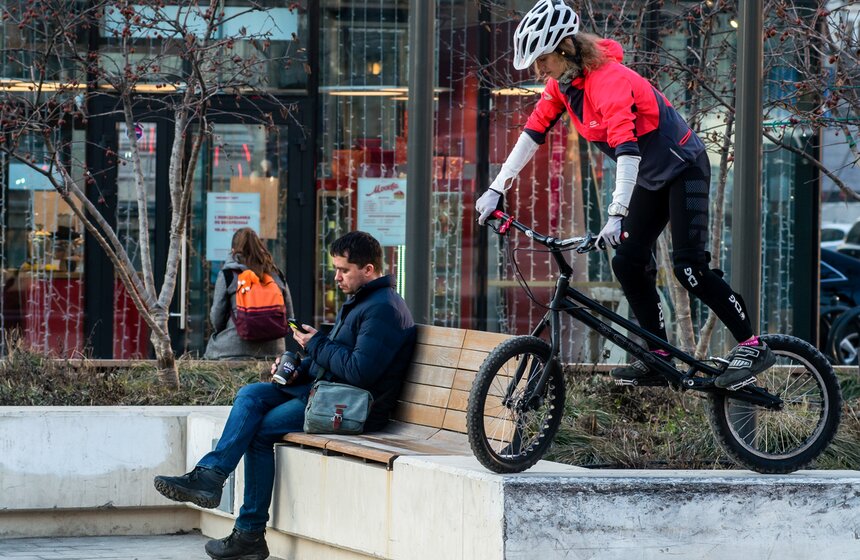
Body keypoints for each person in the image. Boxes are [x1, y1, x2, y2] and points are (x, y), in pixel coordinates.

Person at [475, 0, 775, 390]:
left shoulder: (609, 81)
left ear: (564, 49)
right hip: (649, 178)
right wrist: (496, 188)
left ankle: (752, 345)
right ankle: (660, 356)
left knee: (688, 268)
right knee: (628, 262)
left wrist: (616, 214)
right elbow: (532, 134)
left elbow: (627, 150)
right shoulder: (563, 86)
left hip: (684, 167)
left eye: (542, 59)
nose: (539, 70)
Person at [154, 231, 417, 560]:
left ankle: (249, 534)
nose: (337, 277)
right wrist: (297, 368)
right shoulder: (363, 302)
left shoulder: (383, 309)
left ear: (368, 269)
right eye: (335, 269)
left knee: (260, 432)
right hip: (327, 392)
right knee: (251, 394)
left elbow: (359, 371)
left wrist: (315, 343)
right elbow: (339, 360)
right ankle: (211, 476)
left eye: (343, 270)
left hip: (351, 407)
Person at [204, 227, 294, 360]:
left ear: (233, 250)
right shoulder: (276, 275)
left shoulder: (229, 274)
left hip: (232, 351)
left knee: (209, 355)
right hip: (273, 352)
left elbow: (217, 318)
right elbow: (290, 317)